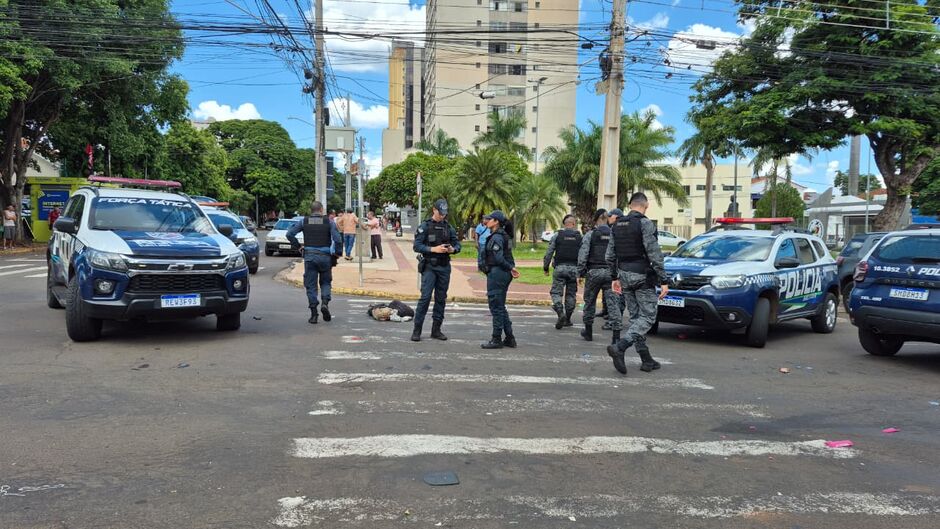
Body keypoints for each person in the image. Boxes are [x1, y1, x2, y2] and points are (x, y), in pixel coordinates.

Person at [605, 193, 668, 374]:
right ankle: (620, 347)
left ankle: (646, 359)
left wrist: (614, 278)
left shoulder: (617, 225)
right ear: (646, 205)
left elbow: (609, 256)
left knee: (635, 319)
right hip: (642, 276)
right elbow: (654, 254)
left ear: (630, 205)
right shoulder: (645, 223)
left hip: (624, 275)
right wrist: (664, 280)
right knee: (648, 317)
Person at [411, 199, 461, 341]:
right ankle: (417, 330)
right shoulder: (425, 226)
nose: (442, 216)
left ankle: (436, 330)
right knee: (425, 298)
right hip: (429, 266)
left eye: (444, 213)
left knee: (441, 298)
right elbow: (417, 246)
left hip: (444, 267)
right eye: (440, 213)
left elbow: (457, 244)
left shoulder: (448, 227)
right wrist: (433, 249)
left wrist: (453, 249)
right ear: (434, 210)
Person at [287, 200, 342, 324]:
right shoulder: (329, 222)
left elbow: (289, 234)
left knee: (311, 285)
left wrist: (298, 247)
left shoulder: (304, 221)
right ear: (321, 210)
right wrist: (337, 254)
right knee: (326, 282)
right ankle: (325, 303)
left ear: (311, 210)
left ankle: (313, 314)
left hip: (310, 257)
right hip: (325, 257)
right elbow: (338, 239)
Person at [479, 210, 519, 349]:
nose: (487, 221)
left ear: (496, 222)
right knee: (500, 306)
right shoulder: (501, 235)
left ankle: (496, 339)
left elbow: (498, 258)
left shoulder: (497, 237)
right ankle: (509, 338)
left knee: (496, 306)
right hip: (501, 273)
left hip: (498, 273)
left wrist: (510, 268)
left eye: (490, 219)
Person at [578, 209, 619, 343]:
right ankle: (616, 337)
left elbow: (583, 255)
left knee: (589, 302)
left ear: (595, 219)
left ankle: (588, 332)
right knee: (613, 304)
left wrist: (580, 272)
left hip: (593, 272)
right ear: (607, 219)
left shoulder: (590, 235)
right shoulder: (614, 234)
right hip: (611, 274)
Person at [543, 214, 581, 329]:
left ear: (564, 224)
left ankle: (560, 312)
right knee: (571, 294)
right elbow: (583, 254)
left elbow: (549, 252)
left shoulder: (557, 235)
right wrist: (582, 271)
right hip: (574, 269)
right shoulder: (579, 237)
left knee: (556, 293)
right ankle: (567, 319)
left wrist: (546, 267)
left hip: (559, 268)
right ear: (574, 224)